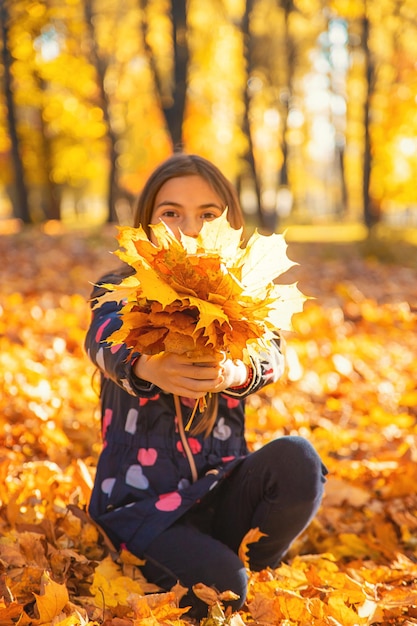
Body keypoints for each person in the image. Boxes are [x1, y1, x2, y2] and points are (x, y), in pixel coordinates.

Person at [85, 153, 327, 620]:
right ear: (147, 224)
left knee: (299, 459)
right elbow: (99, 340)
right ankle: (219, 567)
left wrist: (236, 372)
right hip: (141, 506)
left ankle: (250, 559)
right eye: (171, 213)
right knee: (221, 589)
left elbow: (271, 355)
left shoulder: (243, 294)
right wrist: (146, 366)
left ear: (230, 224)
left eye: (207, 216)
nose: (189, 228)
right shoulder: (121, 289)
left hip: (220, 489)